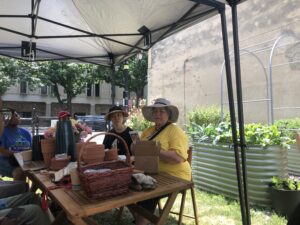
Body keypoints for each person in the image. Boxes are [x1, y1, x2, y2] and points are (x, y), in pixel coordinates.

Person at [132, 98, 192, 225]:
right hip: (152, 173)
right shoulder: (148, 131)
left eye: (161, 111)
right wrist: (135, 146)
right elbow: (141, 153)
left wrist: (156, 150)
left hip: (176, 177)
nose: (157, 114)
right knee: (128, 185)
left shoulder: (175, 131)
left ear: (169, 114)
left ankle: (141, 220)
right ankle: (140, 217)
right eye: (155, 111)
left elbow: (178, 158)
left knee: (148, 191)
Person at [0, 108, 31, 180]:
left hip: (24, 161)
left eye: (17, 115)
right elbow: (2, 151)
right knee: (19, 172)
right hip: (6, 161)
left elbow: (31, 148)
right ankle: (20, 190)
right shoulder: (3, 132)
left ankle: (29, 190)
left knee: (37, 172)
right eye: (13, 116)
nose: (16, 117)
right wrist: (18, 154)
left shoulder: (25, 132)